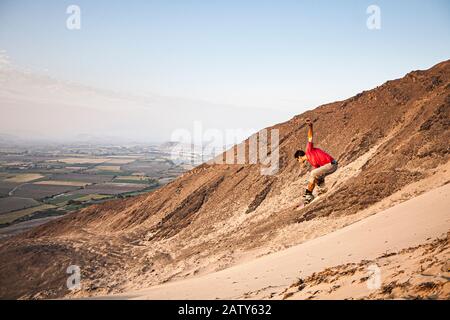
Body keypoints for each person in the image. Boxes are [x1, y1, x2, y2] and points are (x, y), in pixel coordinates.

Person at [294, 118, 338, 204]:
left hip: (332, 164)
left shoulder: (308, 150)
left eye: (297, 160)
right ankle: (321, 190)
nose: (298, 162)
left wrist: (310, 126)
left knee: (313, 173)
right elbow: (316, 175)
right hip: (329, 167)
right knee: (315, 176)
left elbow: (310, 137)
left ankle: (309, 194)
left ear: (299, 157)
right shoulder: (312, 162)